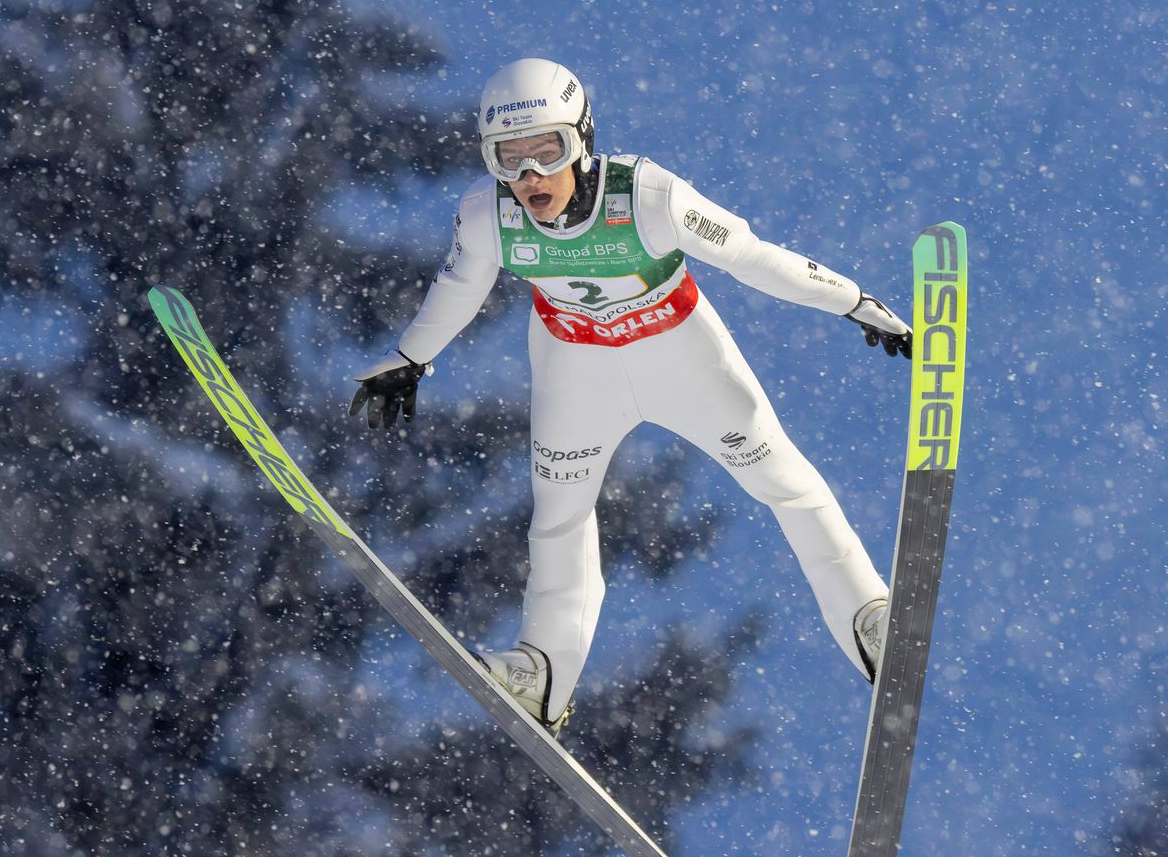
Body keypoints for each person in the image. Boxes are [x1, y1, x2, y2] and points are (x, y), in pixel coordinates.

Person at [349, 58, 912, 732]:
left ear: (582, 139)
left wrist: (851, 299)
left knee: (782, 480)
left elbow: (751, 256)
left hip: (680, 356)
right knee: (558, 517)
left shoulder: (648, 195)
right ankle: (543, 672)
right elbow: (460, 284)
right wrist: (411, 357)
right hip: (576, 368)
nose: (530, 176)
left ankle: (867, 614)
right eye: (508, 158)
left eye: (547, 150)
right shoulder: (486, 214)